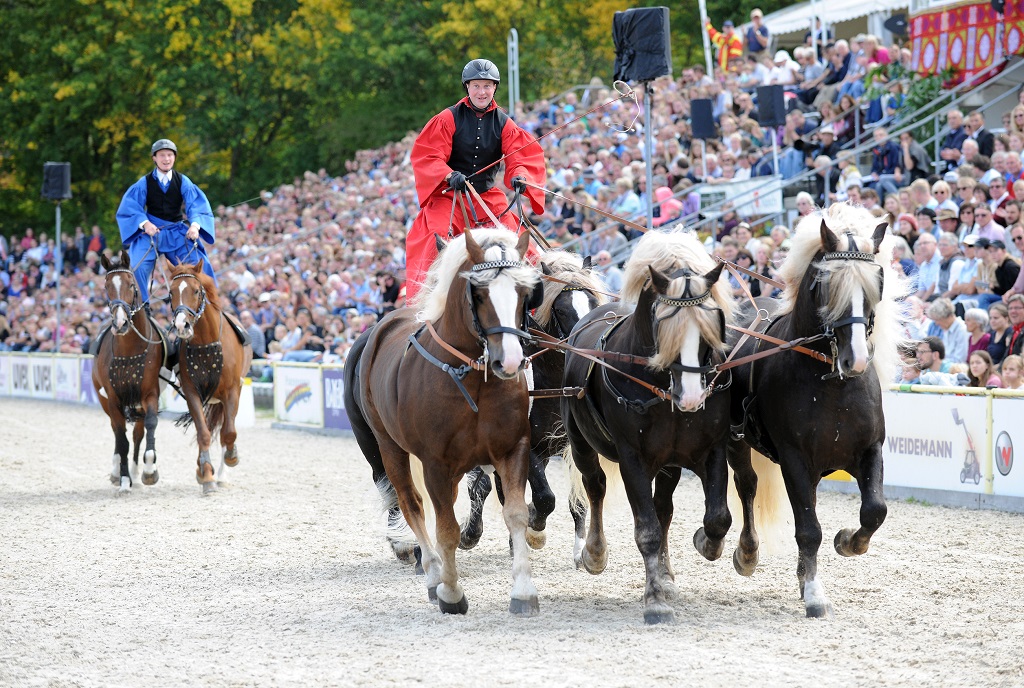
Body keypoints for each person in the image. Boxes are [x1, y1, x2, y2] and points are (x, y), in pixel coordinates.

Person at [405, 59, 546, 298]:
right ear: (467, 87)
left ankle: (537, 302)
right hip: (449, 196)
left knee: (518, 240)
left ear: (494, 88)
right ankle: (426, 299)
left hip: (486, 198)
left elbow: (520, 156)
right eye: (477, 86)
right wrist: (448, 174)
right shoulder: (447, 118)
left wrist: (520, 176)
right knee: (436, 236)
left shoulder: (504, 123)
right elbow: (428, 155)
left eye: (487, 86)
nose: (482, 92)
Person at [115, 139, 216, 304]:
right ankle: (142, 308)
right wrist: (145, 224)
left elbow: (196, 206)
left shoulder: (184, 181)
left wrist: (195, 226)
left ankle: (210, 306)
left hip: (177, 233)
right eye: (162, 155)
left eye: (170, 155)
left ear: (174, 158)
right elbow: (131, 206)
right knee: (136, 268)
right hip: (151, 233)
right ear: (154, 158)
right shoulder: (144, 183)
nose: (166, 159)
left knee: (202, 266)